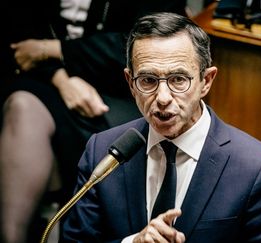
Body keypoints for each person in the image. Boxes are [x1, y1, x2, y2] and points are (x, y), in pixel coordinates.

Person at [61, 12, 261, 243]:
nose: (163, 97)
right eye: (148, 80)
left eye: (178, 79)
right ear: (130, 84)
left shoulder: (259, 170)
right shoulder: (101, 152)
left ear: (206, 81)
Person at [0, 1, 186, 243]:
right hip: (48, 80)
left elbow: (150, 42)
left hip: (127, 91)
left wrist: (54, 48)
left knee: (117, 139)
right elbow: (21, 44)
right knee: (22, 107)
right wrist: (62, 80)